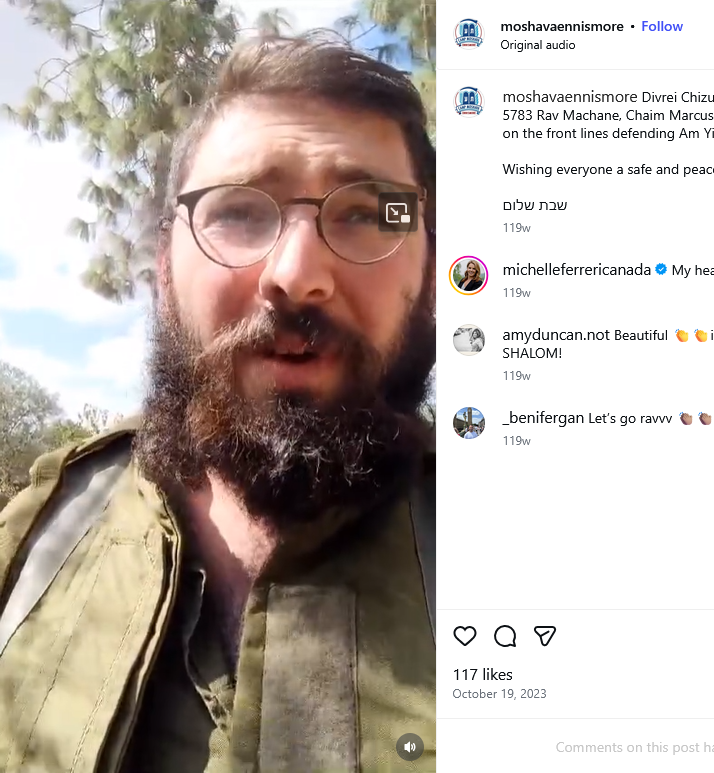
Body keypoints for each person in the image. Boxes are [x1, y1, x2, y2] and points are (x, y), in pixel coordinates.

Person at [0, 34, 436, 772]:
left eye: (368, 214)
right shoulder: (34, 534)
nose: (296, 274)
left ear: (432, 272)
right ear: (164, 270)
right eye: (237, 211)